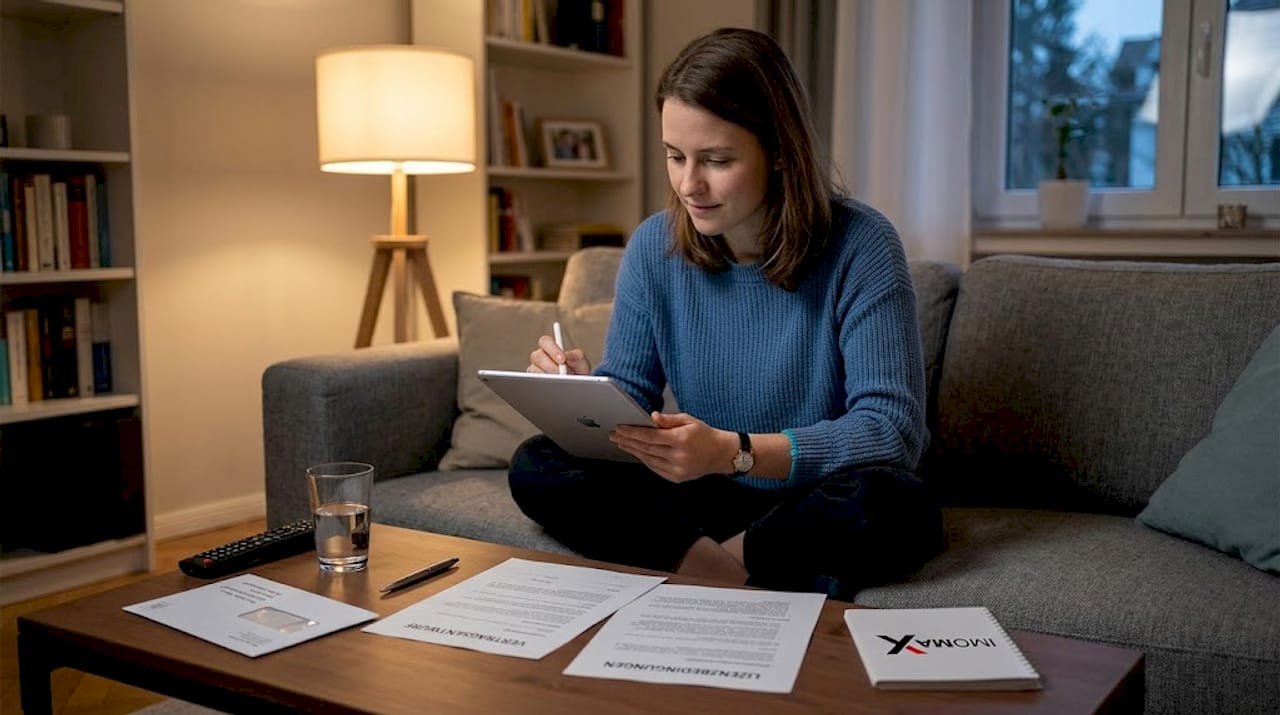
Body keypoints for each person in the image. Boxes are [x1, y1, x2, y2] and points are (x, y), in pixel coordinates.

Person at [508, 27, 941, 599]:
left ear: (781, 151)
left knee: (895, 502)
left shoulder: (862, 245)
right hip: (701, 489)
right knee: (537, 462)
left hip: (809, 491)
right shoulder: (653, 247)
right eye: (675, 156)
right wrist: (583, 395)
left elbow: (892, 432)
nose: (690, 184)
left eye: (716, 159)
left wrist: (734, 451)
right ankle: (726, 575)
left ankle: (703, 567)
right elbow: (633, 403)